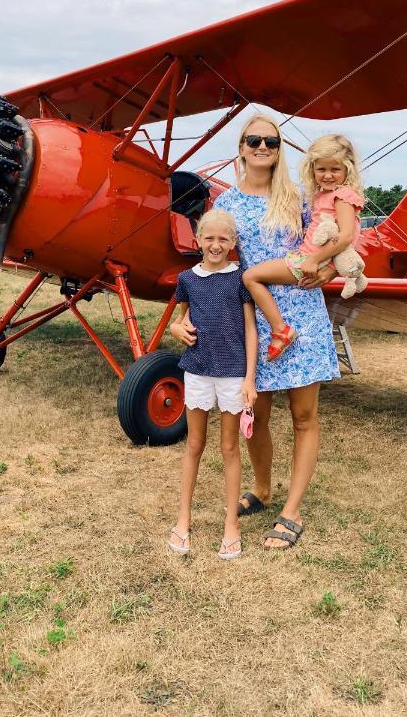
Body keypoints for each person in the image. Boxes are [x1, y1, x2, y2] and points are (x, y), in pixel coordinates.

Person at [171, 113, 339, 551]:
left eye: (271, 140)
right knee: (256, 416)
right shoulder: (226, 205)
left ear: (280, 149)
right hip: (252, 321)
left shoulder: (300, 198)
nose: (262, 146)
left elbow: (334, 238)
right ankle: (263, 491)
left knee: (304, 417)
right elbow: (212, 263)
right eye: (253, 140)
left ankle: (292, 511)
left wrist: (329, 270)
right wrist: (182, 315)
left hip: (300, 315)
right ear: (241, 147)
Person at [168, 209, 258, 560]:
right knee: (194, 444)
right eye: (209, 238)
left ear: (233, 242)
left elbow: (250, 328)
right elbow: (181, 318)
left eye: (224, 239)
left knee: (230, 448)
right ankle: (183, 518)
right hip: (198, 369)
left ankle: (231, 524)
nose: (216, 245)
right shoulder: (187, 279)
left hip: (234, 373)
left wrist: (250, 378)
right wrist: (177, 328)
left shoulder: (241, 279)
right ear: (198, 240)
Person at [243, 134, 365, 360]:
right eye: (321, 169)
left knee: (250, 277)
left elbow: (347, 235)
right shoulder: (321, 195)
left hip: (307, 260)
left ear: (348, 170)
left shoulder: (343, 196)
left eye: (335, 169)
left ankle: (281, 330)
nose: (328, 175)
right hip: (307, 257)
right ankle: (281, 329)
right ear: (312, 169)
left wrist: (314, 260)